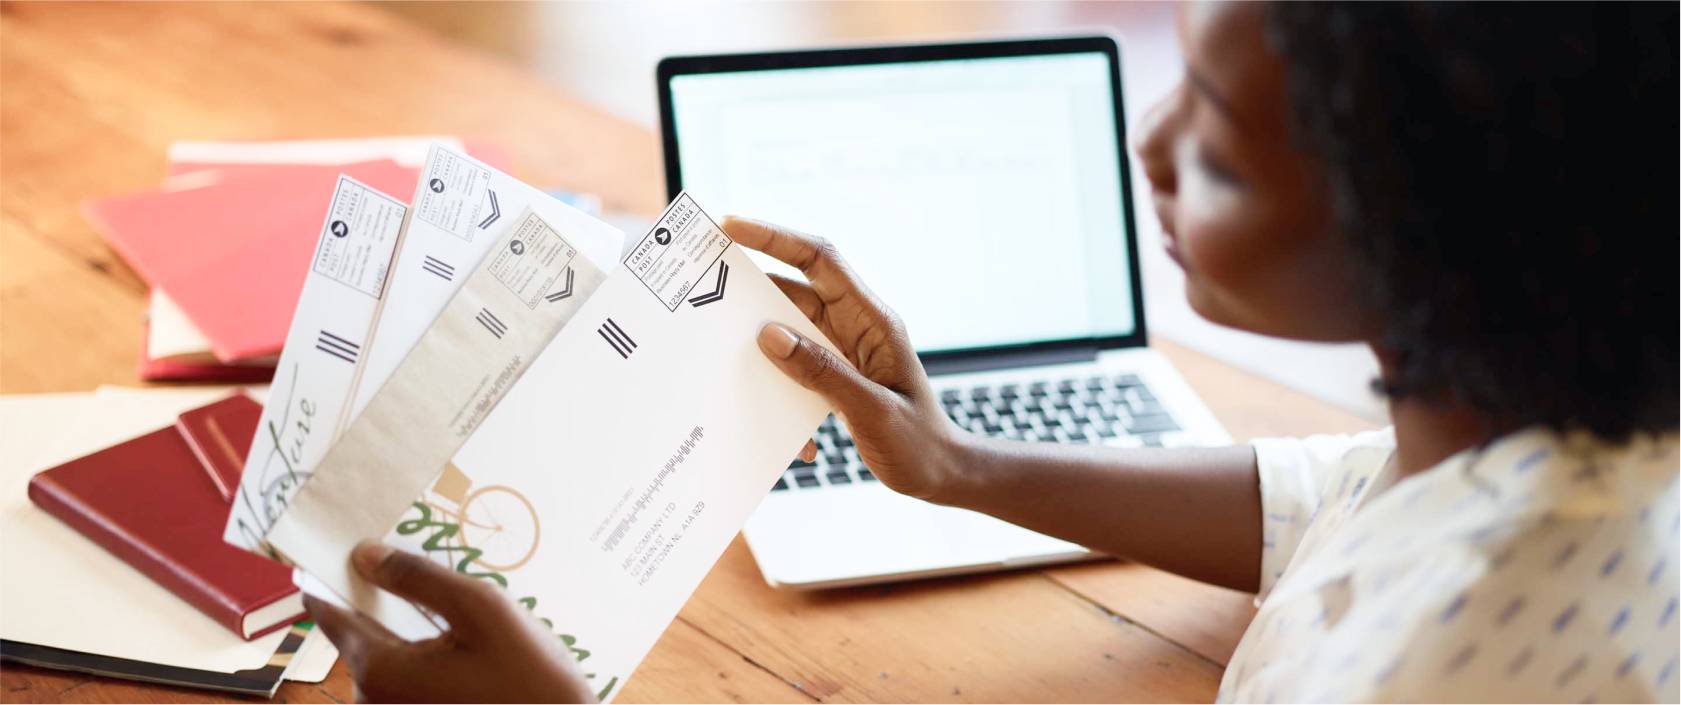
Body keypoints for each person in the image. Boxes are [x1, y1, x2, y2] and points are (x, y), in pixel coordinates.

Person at [304, 2, 1679, 702]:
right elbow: (1335, 500)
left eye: (1210, 150)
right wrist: (957, 463)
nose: (1145, 153)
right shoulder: (1529, 420)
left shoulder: (1435, 663)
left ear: (1431, 232)